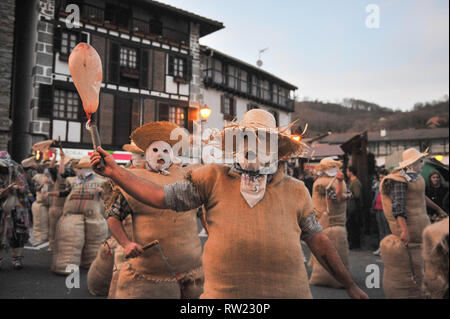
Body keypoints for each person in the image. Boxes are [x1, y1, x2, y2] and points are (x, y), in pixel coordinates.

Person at [90, 109, 368, 299]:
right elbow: (159, 197)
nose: (254, 146)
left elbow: (318, 242)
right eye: (247, 138)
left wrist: (350, 284)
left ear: (275, 149)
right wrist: (115, 172)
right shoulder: (212, 178)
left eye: (263, 140)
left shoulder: (296, 190)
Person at [105, 122, 204, 299]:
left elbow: (200, 212)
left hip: (192, 267)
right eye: (156, 150)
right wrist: (126, 244)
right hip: (150, 271)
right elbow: (113, 216)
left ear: (172, 155)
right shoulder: (133, 181)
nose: (161, 155)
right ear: (147, 154)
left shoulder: (186, 179)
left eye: (166, 151)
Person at [379, 148, 445, 298]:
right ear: (412, 164)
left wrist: (438, 209)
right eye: (419, 161)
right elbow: (398, 207)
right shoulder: (399, 182)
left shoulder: (417, 179)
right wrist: (404, 230)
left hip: (421, 228)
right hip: (410, 230)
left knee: (424, 263)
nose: (422, 164)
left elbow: (422, 197)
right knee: (413, 266)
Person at [47, 156, 108, 275]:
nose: (83, 171)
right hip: (71, 216)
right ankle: (65, 267)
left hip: (93, 217)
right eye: (81, 168)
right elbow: (65, 192)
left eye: (86, 168)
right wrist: (51, 193)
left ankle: (91, 265)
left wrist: (102, 192)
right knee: (68, 241)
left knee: (94, 244)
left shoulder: (101, 182)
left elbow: (108, 197)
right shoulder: (73, 181)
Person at [309, 157, 352, 288]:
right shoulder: (322, 184)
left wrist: (342, 190)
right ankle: (336, 278)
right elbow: (338, 197)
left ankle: (336, 277)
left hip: (335, 221)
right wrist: (340, 183)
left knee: (332, 250)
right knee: (330, 249)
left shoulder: (334, 182)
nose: (334, 170)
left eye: (335, 167)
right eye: (330, 167)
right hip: (327, 221)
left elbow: (347, 194)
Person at [0, 152, 31, 270]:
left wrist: (17, 188)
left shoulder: (17, 170)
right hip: (1, 209)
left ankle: (16, 259)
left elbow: (25, 188)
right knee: (0, 233)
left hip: (17, 207)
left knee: (18, 233)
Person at [372, 169, 391, 256]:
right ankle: (381, 247)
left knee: (386, 229)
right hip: (378, 208)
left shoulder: (388, 185)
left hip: (385, 209)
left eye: (382, 177)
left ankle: (387, 248)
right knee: (381, 230)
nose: (380, 178)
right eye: (379, 177)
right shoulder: (378, 185)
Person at [346, 166, 363, 249]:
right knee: (351, 226)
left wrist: (348, 195)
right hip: (352, 207)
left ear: (351, 172)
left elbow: (357, 195)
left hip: (355, 208)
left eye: (347, 171)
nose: (347, 172)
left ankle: (355, 244)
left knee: (354, 227)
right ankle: (353, 243)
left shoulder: (355, 182)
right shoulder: (351, 181)